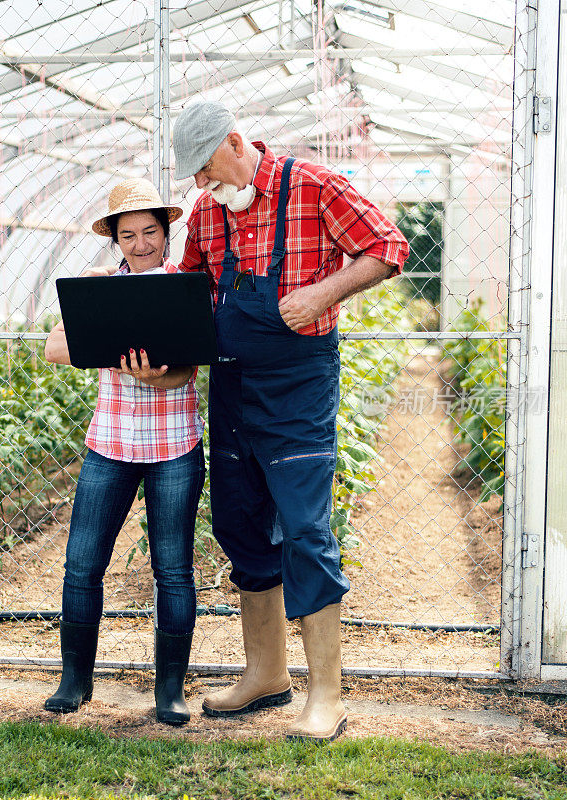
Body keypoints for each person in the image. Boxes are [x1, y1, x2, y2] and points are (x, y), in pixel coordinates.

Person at [172, 101, 409, 741]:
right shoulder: (209, 213)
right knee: (238, 520)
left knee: (304, 529)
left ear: (234, 141)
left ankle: (326, 697)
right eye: (192, 177)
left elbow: (388, 248)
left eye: (203, 168)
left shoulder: (313, 185)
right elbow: (184, 289)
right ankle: (267, 674)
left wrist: (323, 292)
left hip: (299, 384)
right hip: (232, 382)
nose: (199, 185)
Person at [43, 178, 206, 726]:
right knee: (83, 563)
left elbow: (187, 369)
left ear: (167, 233)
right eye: (129, 234)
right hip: (109, 443)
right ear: (115, 238)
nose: (141, 244)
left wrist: (156, 378)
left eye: (151, 233)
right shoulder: (97, 289)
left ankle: (169, 689)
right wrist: (112, 350)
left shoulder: (185, 288)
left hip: (173, 444)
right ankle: (75, 680)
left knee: (173, 570)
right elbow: (54, 348)